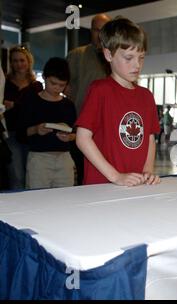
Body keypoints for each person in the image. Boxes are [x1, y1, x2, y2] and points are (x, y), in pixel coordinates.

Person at [76, 17, 160, 187]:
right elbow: (82, 139)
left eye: (141, 57)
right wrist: (115, 176)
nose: (137, 65)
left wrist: (148, 171)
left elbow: (149, 138)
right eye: (129, 58)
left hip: (135, 184)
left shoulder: (146, 96)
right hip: (102, 186)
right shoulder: (100, 90)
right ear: (108, 55)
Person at [17, 58, 76, 189]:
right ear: (44, 77)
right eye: (53, 83)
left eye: (61, 85)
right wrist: (36, 129)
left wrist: (69, 137)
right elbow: (20, 134)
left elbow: (76, 134)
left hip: (64, 158)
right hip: (39, 158)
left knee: (65, 199)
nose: (57, 88)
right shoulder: (31, 101)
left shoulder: (68, 105)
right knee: (37, 200)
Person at [66, 13, 111, 186]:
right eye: (96, 30)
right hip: (81, 128)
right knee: (83, 176)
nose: (100, 35)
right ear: (90, 31)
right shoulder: (77, 55)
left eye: (104, 30)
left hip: (108, 129)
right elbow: (65, 87)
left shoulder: (115, 57)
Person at [2, 45, 43, 190]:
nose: (18, 64)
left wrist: (15, 105)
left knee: (32, 176)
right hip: (12, 134)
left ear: (28, 61)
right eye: (14, 61)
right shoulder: (5, 84)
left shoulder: (36, 86)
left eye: (21, 60)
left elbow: (37, 109)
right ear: (10, 63)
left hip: (31, 135)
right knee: (17, 177)